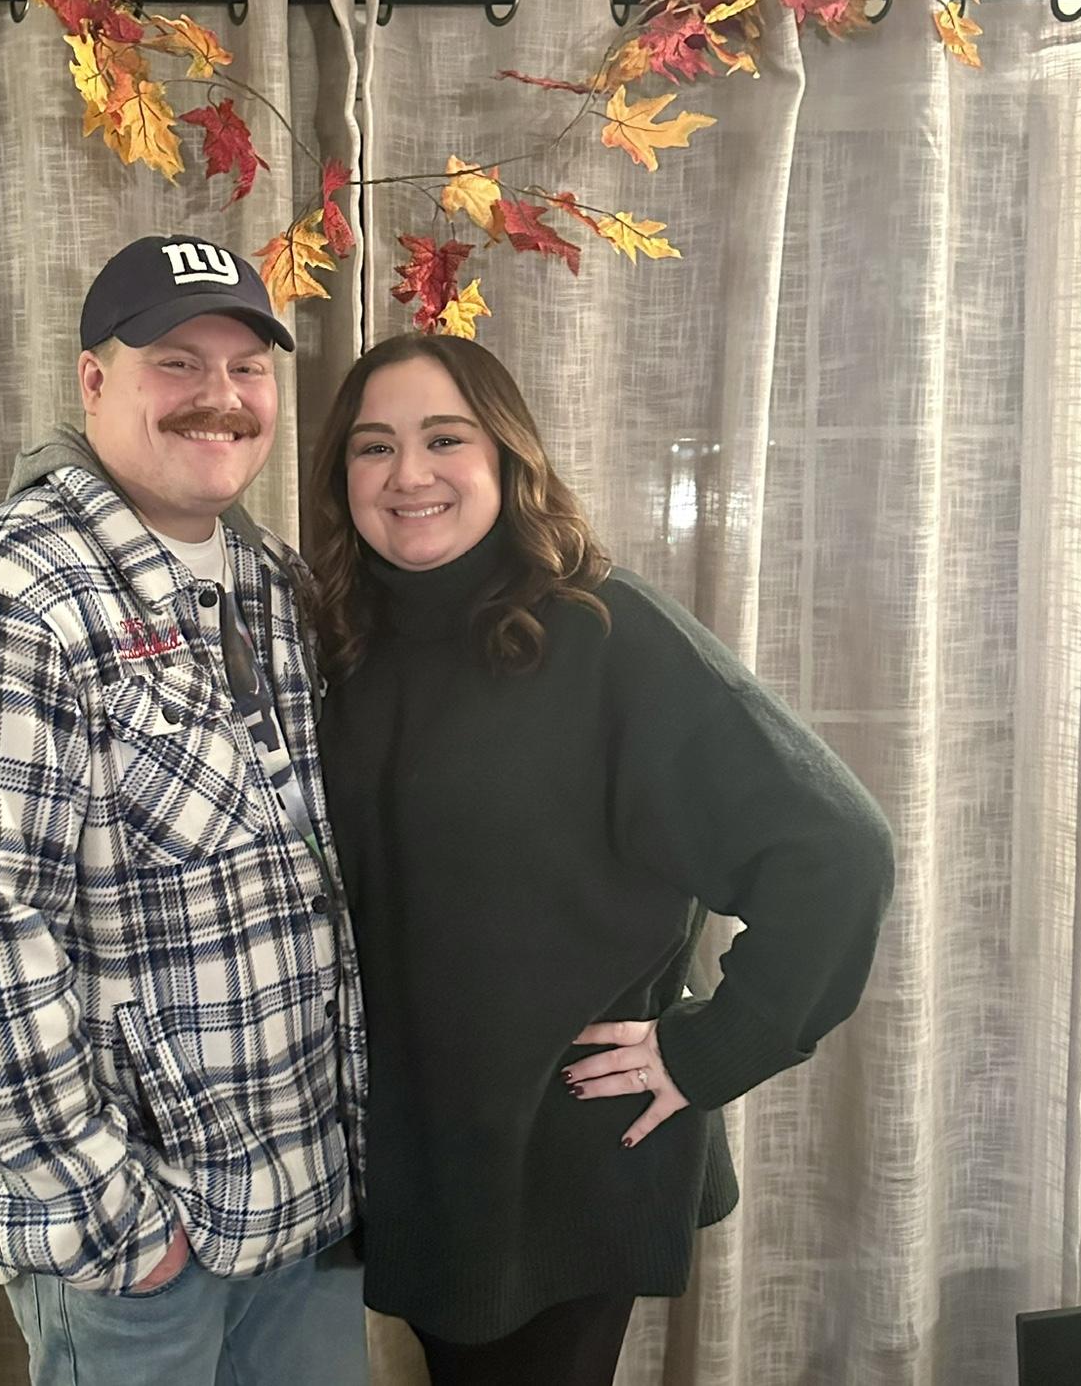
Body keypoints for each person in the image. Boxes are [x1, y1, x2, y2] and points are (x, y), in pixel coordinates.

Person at [307, 334, 895, 1386]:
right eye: (374, 446)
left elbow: (834, 851)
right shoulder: (344, 640)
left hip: (561, 1165)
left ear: (508, 457)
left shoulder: (602, 632)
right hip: (415, 1158)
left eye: (445, 438)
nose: (408, 473)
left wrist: (716, 1046)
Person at [0, 234, 368, 1386]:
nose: (220, 396)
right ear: (94, 381)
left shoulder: (276, 583)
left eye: (247, 368)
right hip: (143, 1252)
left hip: (306, 1209)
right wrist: (112, 1223)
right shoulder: (10, 595)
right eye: (177, 362)